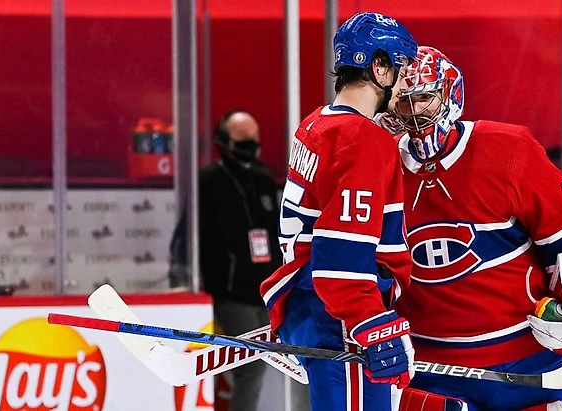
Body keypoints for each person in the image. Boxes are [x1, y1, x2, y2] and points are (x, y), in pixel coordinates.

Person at [376, 46, 562, 411]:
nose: (414, 112)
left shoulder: (507, 149)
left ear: (449, 94)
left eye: (423, 98)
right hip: (430, 370)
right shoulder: (379, 167)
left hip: (531, 364)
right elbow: (360, 267)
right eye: (402, 102)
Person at [259, 11, 419, 411]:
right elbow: (341, 253)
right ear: (379, 67)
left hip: (316, 307)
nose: (403, 83)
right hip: (340, 318)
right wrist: (370, 323)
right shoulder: (362, 140)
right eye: (399, 68)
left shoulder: (318, 124)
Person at [168, 110, 281, 411]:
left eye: (253, 138)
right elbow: (186, 237)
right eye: (242, 138)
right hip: (230, 294)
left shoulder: (263, 180)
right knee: (251, 364)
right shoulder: (209, 182)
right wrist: (180, 277)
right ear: (223, 141)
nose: (250, 144)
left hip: (265, 291)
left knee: (276, 360)